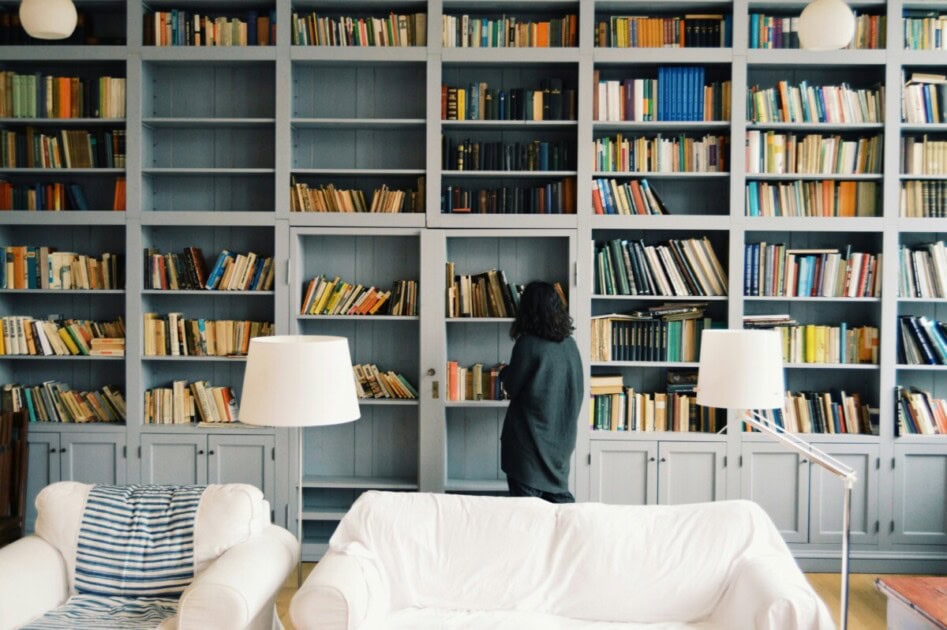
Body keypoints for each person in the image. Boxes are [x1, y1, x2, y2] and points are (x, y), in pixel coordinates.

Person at [499, 280, 584, 503]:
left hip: (527, 445)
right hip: (560, 443)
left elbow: (511, 386)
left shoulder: (527, 344)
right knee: (560, 513)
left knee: (528, 519)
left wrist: (503, 373)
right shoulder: (570, 345)